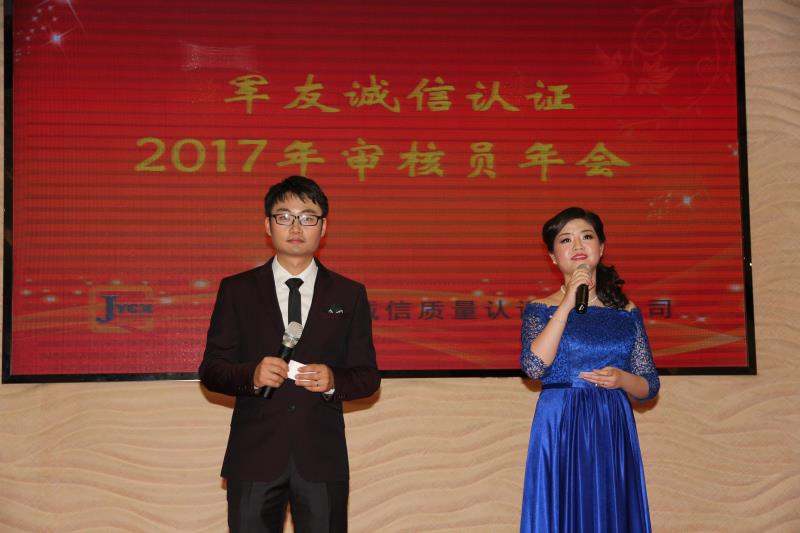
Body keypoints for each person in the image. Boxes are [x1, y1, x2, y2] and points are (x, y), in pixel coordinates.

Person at [199, 175, 380, 533]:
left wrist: (333, 380)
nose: (296, 227)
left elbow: (367, 377)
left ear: (323, 227)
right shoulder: (237, 290)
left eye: (308, 217)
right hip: (254, 457)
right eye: (284, 216)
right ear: (268, 225)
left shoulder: (349, 294)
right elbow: (212, 370)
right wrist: (251, 375)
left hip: (321, 459)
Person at [519, 207, 660, 533]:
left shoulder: (626, 312)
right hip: (562, 422)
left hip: (611, 423)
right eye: (565, 240)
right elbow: (534, 366)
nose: (578, 245)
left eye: (586, 236)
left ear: (602, 247)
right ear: (553, 257)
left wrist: (623, 379)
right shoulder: (540, 308)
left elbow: (650, 384)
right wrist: (567, 302)